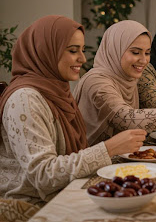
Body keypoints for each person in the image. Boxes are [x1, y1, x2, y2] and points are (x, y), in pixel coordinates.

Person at [0, 16, 145, 206]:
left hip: (67, 191)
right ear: (46, 51)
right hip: (33, 206)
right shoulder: (25, 99)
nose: (83, 59)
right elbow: (43, 175)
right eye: (72, 50)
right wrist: (108, 148)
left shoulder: (58, 90)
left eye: (82, 50)